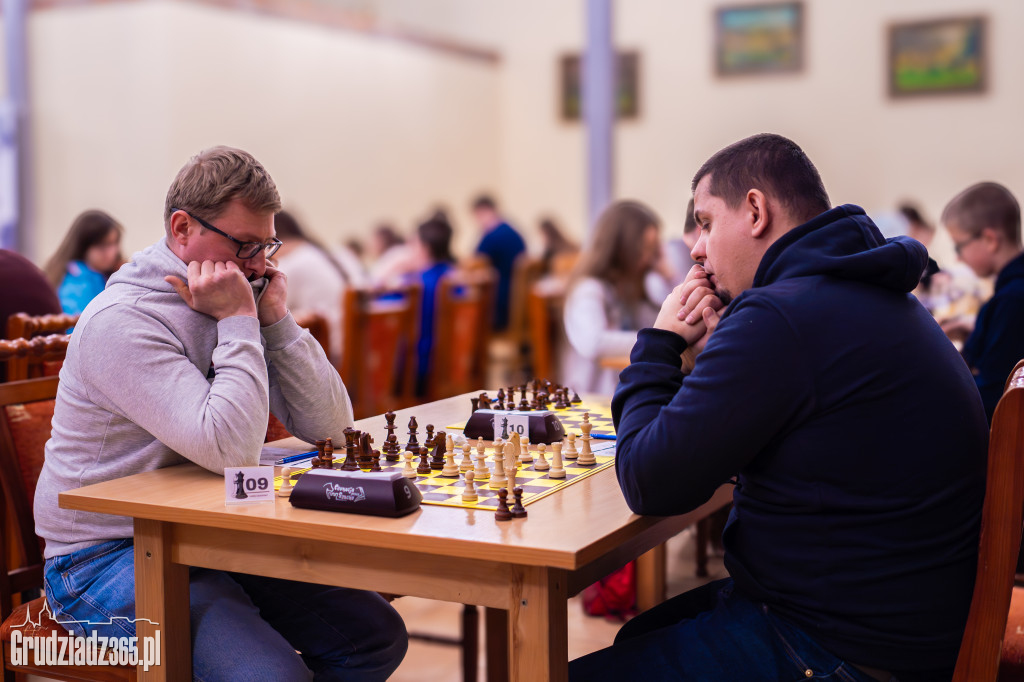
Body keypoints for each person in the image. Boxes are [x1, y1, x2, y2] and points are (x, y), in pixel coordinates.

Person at [570, 134, 987, 681]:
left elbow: (650, 481)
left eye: (705, 222)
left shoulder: (782, 316)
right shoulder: (866, 290)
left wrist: (660, 342)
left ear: (755, 210)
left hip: (843, 647)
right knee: (640, 632)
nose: (695, 247)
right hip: (901, 618)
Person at [33, 146, 407, 680]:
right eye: (245, 245)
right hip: (103, 556)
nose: (259, 264)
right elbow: (229, 451)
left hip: (205, 527)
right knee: (271, 676)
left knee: (375, 637)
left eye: (267, 244)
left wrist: (274, 320)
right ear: (183, 228)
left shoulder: (238, 290)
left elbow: (333, 429)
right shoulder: (125, 319)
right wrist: (236, 319)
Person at [562, 201, 666, 395]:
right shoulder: (588, 289)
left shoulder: (627, 287)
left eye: (653, 250)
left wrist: (666, 276)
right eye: (645, 248)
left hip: (622, 392)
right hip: (592, 398)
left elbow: (661, 323)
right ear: (623, 247)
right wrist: (655, 340)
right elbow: (594, 342)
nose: (647, 258)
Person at [940, 181, 1024, 422]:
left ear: (989, 239)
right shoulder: (1009, 296)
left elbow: (991, 396)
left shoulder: (1012, 301)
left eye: (959, 245)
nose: (957, 256)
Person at [272, 209, 357, 364]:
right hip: (351, 354)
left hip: (330, 360)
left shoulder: (291, 263)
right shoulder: (327, 253)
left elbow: (269, 315)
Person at [407, 215, 457, 397]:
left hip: (421, 370)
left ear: (424, 248)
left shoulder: (415, 285)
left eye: (412, 244)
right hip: (451, 366)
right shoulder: (456, 277)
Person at [43, 210, 124, 315]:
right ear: (83, 247)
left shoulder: (112, 274)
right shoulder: (75, 282)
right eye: (103, 245)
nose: (111, 252)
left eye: (114, 243)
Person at [471, 194, 525, 330]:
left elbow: (474, 264)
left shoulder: (491, 236)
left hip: (500, 307)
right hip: (519, 303)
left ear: (482, 212)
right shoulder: (514, 232)